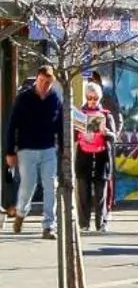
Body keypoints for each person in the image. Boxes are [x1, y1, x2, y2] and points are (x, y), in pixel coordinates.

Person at [5, 63, 66, 239]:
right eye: (41, 81)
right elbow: (12, 126)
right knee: (28, 185)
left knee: (50, 186)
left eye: (48, 82)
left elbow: (60, 127)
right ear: (36, 79)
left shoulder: (55, 99)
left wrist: (63, 150)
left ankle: (49, 226)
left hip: (48, 149)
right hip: (27, 150)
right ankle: (21, 213)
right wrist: (10, 151)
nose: (44, 85)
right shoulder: (24, 98)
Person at [73, 78, 115, 233]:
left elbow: (114, 136)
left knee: (100, 192)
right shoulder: (79, 114)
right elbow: (72, 135)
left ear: (100, 98)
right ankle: (84, 224)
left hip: (101, 157)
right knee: (82, 192)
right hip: (84, 156)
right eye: (89, 98)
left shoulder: (106, 115)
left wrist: (106, 133)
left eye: (95, 98)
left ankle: (101, 223)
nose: (91, 101)